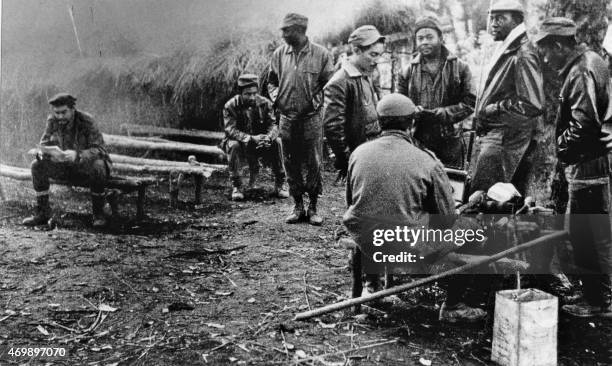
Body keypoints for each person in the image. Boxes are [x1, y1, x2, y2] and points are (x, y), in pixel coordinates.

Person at [535, 17, 612, 318]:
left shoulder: (580, 71)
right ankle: (596, 293)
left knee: (586, 233)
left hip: (587, 165)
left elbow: (585, 123)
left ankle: (599, 301)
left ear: (558, 45)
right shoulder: (591, 61)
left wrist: (561, 151)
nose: (544, 57)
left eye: (545, 50)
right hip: (593, 163)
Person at [471, 0, 544, 194]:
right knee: (499, 201)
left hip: (506, 139)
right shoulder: (507, 47)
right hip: (501, 135)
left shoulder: (522, 53)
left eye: (500, 18)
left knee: (486, 199)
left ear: (517, 21)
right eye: (492, 18)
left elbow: (531, 104)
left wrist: (492, 110)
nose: (493, 23)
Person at [267, 13, 334, 226]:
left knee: (314, 162)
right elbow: (271, 82)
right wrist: (278, 99)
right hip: (286, 119)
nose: (283, 34)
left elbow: (328, 85)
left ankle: (313, 206)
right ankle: (297, 206)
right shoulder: (279, 54)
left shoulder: (321, 54)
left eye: (287, 30)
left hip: (311, 119)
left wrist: (314, 104)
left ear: (300, 30)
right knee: (290, 161)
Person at [22, 93, 111, 228]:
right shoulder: (52, 121)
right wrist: (43, 154)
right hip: (65, 167)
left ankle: (99, 214)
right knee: (36, 166)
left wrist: (78, 155)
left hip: (85, 168)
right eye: (57, 113)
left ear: (72, 109)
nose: (60, 117)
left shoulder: (86, 121)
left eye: (64, 112)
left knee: (98, 166)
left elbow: (100, 149)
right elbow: (44, 144)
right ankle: (43, 213)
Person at [397, 16, 475, 169]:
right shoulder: (407, 71)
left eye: (429, 37)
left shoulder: (460, 68)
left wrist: (443, 114)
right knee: (421, 181)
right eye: (420, 38)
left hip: (450, 138)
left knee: (450, 183)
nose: (424, 42)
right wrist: (412, 111)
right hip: (419, 137)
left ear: (441, 38)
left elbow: (470, 102)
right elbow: (399, 103)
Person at [324, 25, 385, 180]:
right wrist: (349, 161)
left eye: (379, 55)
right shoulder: (340, 82)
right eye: (373, 54)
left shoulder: (365, 74)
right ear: (357, 51)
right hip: (360, 154)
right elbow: (333, 128)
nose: (377, 60)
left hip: (374, 148)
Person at [221, 74, 289, 201]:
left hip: (261, 142)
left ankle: (281, 183)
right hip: (241, 143)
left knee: (277, 142)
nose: (252, 97)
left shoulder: (265, 103)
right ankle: (237, 186)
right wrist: (251, 138)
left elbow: (273, 125)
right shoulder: (230, 106)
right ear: (240, 92)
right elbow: (230, 130)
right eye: (247, 94)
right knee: (233, 145)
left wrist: (268, 137)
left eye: (254, 93)